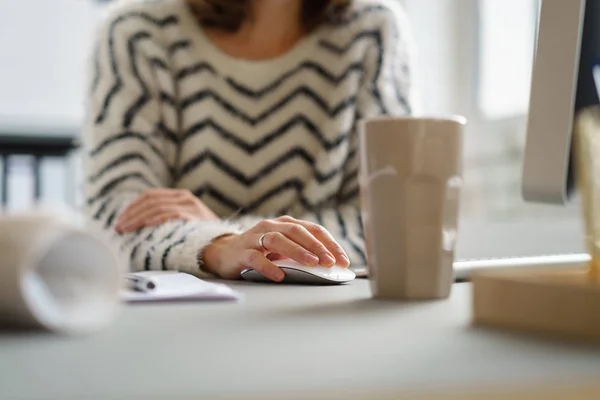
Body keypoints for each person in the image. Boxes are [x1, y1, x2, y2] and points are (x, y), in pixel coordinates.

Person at [83, 0, 417, 282]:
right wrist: (219, 244)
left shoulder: (374, 31)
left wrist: (224, 237)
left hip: (326, 315)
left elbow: (391, 224)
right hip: (183, 322)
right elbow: (115, 220)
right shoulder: (134, 33)